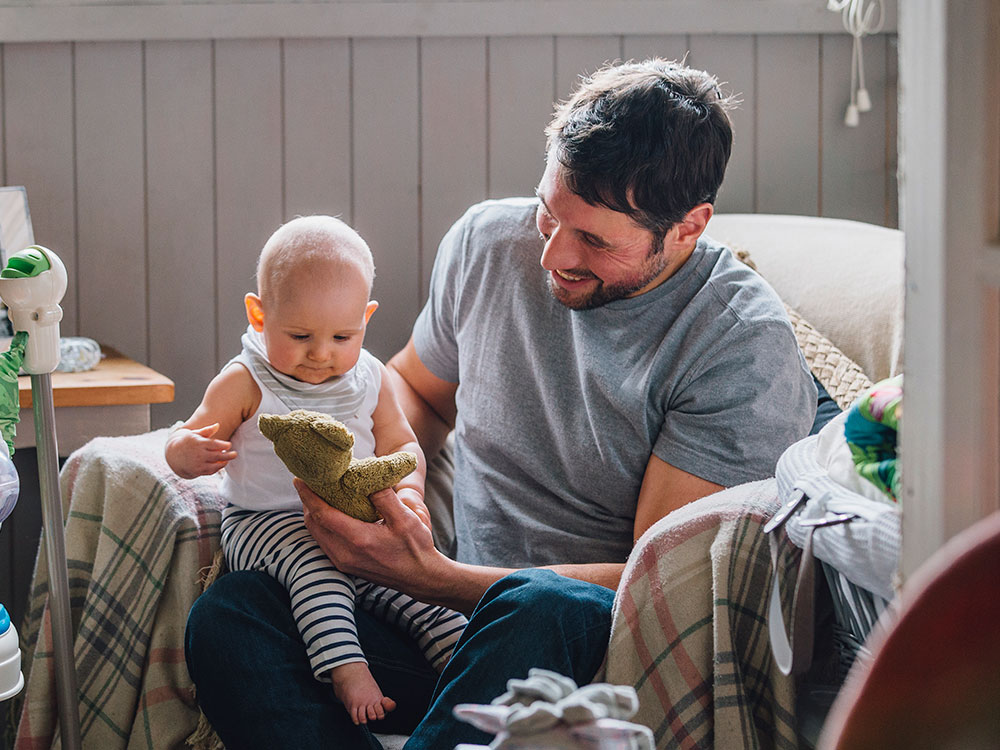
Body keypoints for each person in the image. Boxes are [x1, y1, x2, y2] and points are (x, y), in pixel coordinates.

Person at [185, 59, 818, 749]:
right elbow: (415, 392)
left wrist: (438, 576)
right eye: (549, 213)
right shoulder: (489, 243)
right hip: (450, 633)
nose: (551, 255)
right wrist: (404, 484)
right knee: (233, 615)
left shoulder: (739, 346)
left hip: (590, 652)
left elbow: (658, 578)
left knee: (543, 605)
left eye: (594, 241)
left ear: (690, 228)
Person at [167, 216, 467, 726]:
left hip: (360, 518)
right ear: (259, 315)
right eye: (301, 335)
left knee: (418, 591)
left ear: (366, 320)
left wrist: (410, 492)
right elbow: (188, 436)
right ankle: (346, 669)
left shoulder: (370, 374)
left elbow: (402, 445)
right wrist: (188, 454)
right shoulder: (247, 380)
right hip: (268, 523)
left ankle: (464, 665)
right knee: (317, 569)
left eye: (342, 335)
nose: (321, 354)